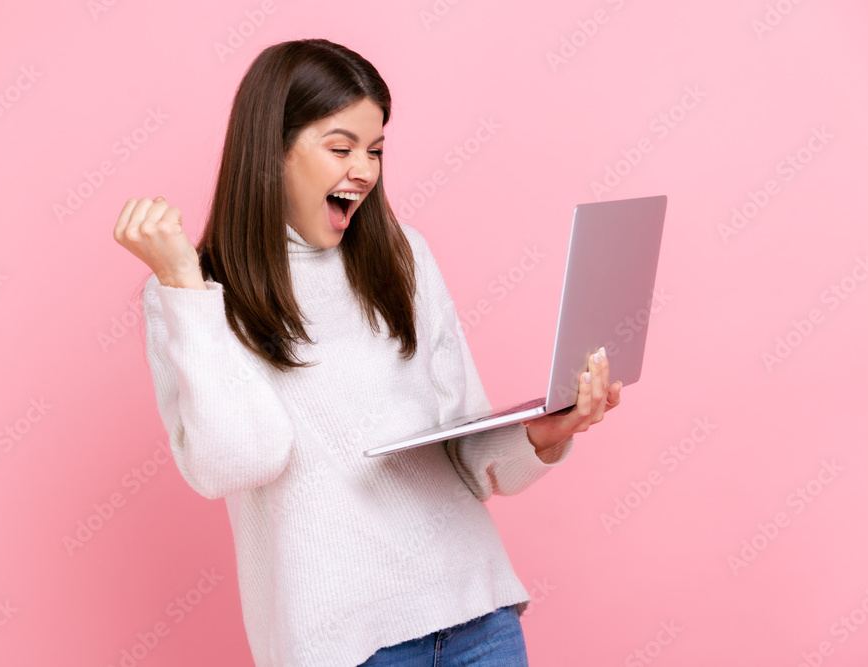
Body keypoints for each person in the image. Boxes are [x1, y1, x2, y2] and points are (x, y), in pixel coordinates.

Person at [113, 38, 622, 667]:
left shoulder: (404, 257)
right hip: (344, 646)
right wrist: (185, 289)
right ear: (271, 151)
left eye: (375, 150)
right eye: (341, 148)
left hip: (478, 618)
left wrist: (542, 434)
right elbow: (237, 461)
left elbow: (465, 460)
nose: (364, 170)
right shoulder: (193, 296)